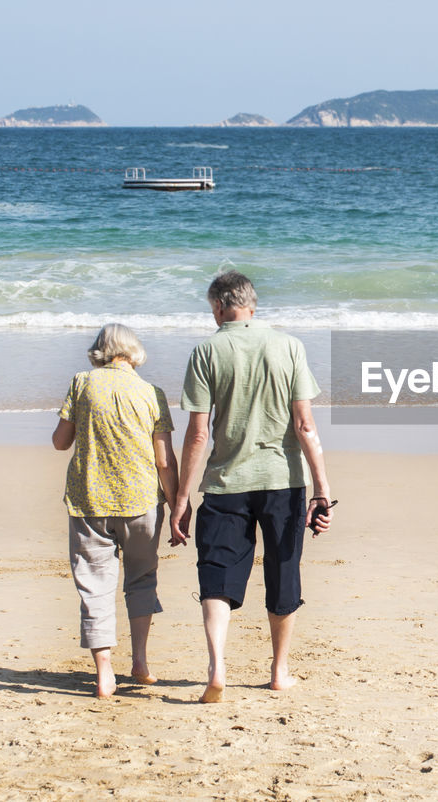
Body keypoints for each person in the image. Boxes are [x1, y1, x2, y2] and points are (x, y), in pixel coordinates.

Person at [168, 271, 333, 703]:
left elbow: (198, 435)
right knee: (283, 570)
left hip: (226, 483)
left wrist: (181, 499)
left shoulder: (206, 351)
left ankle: (217, 666)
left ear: (220, 307)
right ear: (253, 306)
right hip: (284, 480)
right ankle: (279, 672)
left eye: (212, 311)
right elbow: (305, 425)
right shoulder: (289, 346)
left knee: (218, 575)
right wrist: (321, 488)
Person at [51, 323, 180, 699]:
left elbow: (61, 442)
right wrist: (176, 508)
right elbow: (164, 460)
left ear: (99, 351)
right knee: (141, 578)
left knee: (95, 583)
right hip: (141, 502)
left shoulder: (82, 383)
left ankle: (104, 671)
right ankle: (139, 661)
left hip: (90, 500)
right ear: (134, 352)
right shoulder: (151, 393)